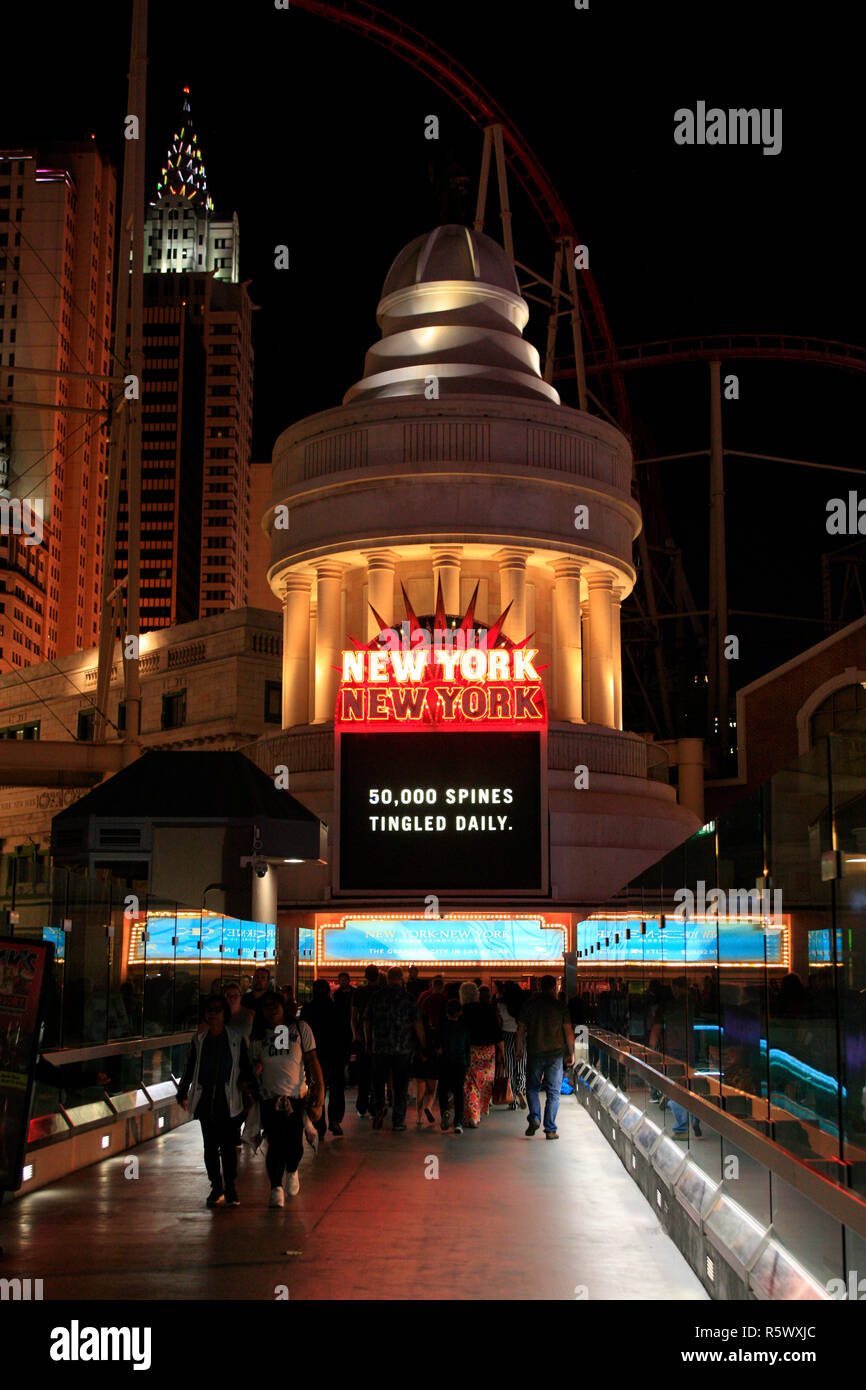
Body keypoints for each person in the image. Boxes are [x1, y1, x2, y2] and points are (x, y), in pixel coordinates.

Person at [176, 994, 256, 1207]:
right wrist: (182, 1091)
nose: (213, 1014)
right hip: (206, 1101)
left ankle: (229, 1186)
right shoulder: (199, 1040)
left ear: (224, 1014)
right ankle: (216, 1186)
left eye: (217, 1010)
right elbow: (190, 1067)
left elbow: (245, 1067)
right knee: (210, 1146)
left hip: (228, 1100)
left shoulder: (236, 1039)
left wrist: (250, 1088)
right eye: (209, 1010)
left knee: (228, 1147)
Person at [249, 993, 324, 1205]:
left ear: (283, 1006)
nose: (272, 1009)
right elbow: (252, 1062)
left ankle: (292, 1169)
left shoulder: (301, 1029)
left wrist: (318, 1089)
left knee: (294, 1143)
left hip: (296, 1096)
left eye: (275, 1005)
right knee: (274, 1142)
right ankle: (276, 1187)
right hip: (269, 1096)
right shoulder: (258, 1036)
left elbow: (311, 1059)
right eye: (267, 1006)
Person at [364, 966, 427, 1131]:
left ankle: (379, 1109)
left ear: (388, 978)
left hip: (380, 1047)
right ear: (401, 979)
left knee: (378, 1082)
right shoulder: (409, 999)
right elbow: (417, 1024)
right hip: (403, 1049)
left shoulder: (376, 997)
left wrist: (368, 1042)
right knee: (401, 1085)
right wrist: (423, 1044)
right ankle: (398, 1121)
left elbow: (366, 1021)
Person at [518, 974, 574, 1139]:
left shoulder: (530, 1005)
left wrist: (518, 1048)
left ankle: (535, 1117)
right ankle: (550, 1129)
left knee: (532, 1088)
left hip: (535, 1052)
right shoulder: (560, 1006)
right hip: (555, 1054)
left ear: (540, 986)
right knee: (553, 1092)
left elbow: (520, 1029)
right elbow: (569, 1032)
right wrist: (571, 1053)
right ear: (554, 987)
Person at [300, 979, 346, 1137]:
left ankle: (319, 1123)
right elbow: (344, 1033)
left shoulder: (307, 1009)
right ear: (328, 992)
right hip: (335, 1055)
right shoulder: (336, 1008)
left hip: (315, 1055)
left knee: (317, 1088)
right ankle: (335, 1120)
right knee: (336, 1089)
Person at [459, 981, 502, 1127]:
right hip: (488, 1051)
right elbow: (497, 1031)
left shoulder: (462, 1011)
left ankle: (473, 1115)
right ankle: (479, 1110)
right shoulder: (488, 1009)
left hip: (471, 1051)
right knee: (485, 1082)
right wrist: (502, 1051)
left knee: (471, 1084)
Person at [351, 964, 380, 1117]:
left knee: (363, 1074)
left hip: (362, 1038)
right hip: (380, 1038)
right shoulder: (382, 993)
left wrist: (355, 1033)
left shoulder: (359, 993)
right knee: (377, 1074)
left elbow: (353, 1015)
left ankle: (361, 1106)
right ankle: (375, 1106)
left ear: (365, 976)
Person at [437, 997, 470, 1133]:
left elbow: (438, 1046)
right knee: (458, 1092)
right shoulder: (464, 1028)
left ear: (447, 1013)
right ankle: (458, 1123)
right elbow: (467, 1047)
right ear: (460, 1012)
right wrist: (467, 1063)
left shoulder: (442, 1027)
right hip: (460, 1062)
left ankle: (445, 1110)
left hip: (444, 1062)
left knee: (443, 1090)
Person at [495, 980, 527, 1110]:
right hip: (521, 1036)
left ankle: (512, 1101)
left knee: (510, 1069)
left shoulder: (499, 1004)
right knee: (521, 1066)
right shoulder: (523, 1004)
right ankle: (521, 1089)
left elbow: (499, 1023)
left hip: (506, 1036)